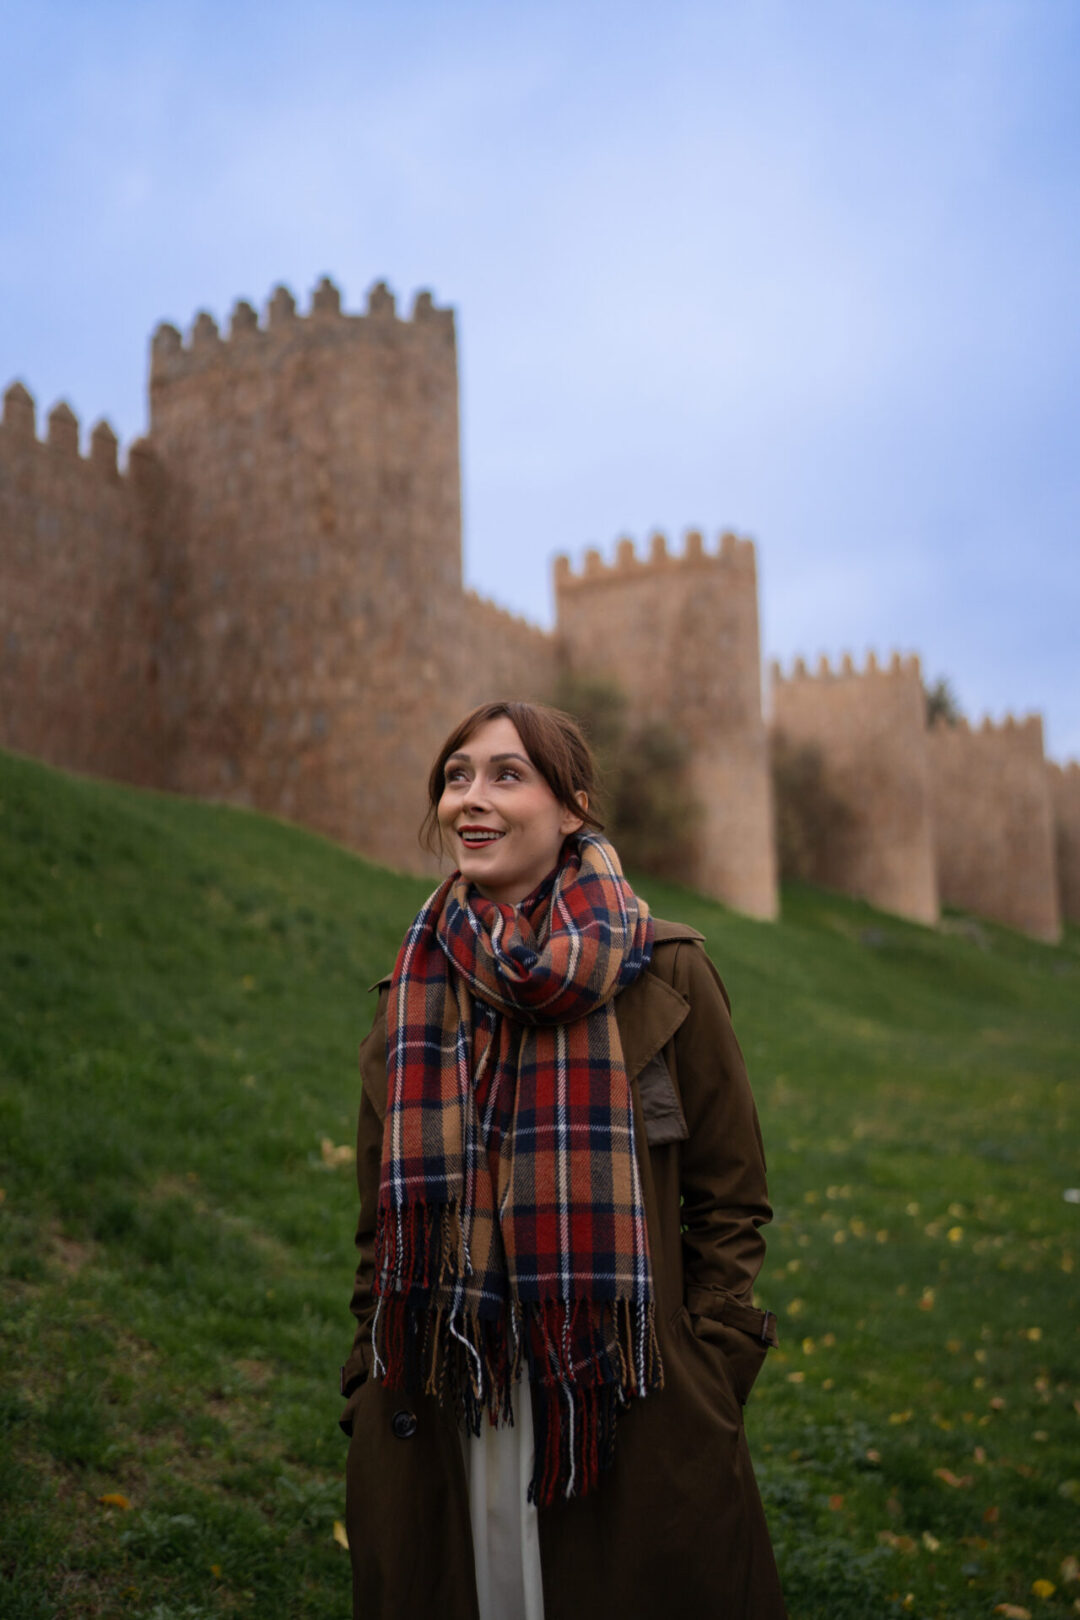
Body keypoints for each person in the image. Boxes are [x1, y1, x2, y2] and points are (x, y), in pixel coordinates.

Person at [340, 699, 787, 1620]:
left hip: (620, 1397)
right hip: (450, 1395)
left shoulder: (669, 975)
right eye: (457, 776)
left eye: (507, 775)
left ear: (573, 807)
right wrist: (363, 1378)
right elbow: (376, 1229)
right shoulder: (409, 993)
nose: (473, 797)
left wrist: (711, 1367)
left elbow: (730, 1200)